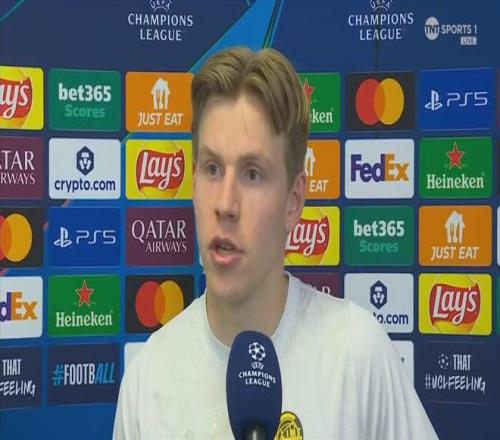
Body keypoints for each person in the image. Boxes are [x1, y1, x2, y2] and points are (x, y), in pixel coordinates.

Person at [113, 47, 438, 439]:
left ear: (293, 201)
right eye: (212, 169)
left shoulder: (358, 355)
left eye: (252, 174)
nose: (226, 204)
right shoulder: (148, 379)